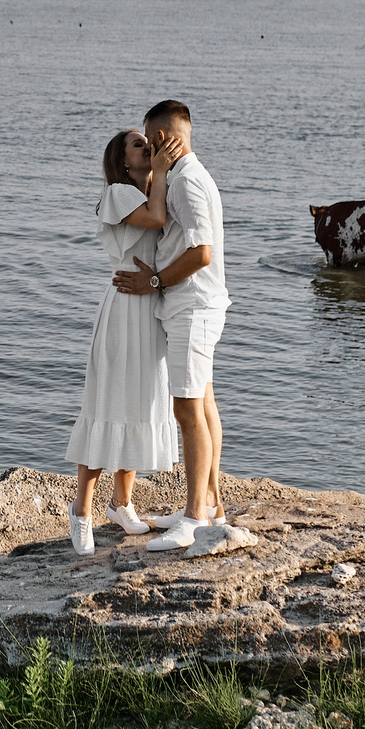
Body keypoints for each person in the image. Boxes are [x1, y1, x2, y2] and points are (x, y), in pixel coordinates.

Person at [113, 99, 247, 553]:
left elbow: (201, 253)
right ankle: (210, 508)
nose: (150, 149)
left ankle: (192, 519)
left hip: (193, 305)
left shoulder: (187, 183)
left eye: (152, 140)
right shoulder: (186, 177)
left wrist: (153, 281)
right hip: (194, 304)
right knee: (204, 405)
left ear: (169, 137)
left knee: (187, 410)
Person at [63, 128, 179, 554]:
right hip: (123, 307)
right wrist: (163, 170)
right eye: (137, 144)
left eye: (146, 143)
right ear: (122, 161)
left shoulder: (154, 190)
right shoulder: (116, 193)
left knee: (141, 401)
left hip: (149, 306)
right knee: (108, 404)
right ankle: (82, 510)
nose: (146, 147)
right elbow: (156, 219)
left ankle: (122, 502)